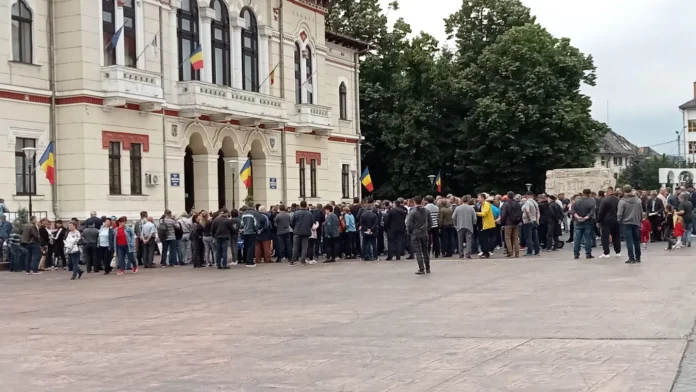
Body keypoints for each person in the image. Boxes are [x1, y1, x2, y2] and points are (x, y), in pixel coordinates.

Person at [617, 185, 643, 264]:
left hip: (626, 222)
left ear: (623, 191)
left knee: (629, 241)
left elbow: (620, 213)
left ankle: (631, 258)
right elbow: (641, 212)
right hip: (636, 222)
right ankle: (638, 257)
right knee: (636, 240)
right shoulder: (638, 200)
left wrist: (619, 220)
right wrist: (640, 220)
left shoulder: (622, 201)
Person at [407, 195, 432, 274]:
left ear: (414, 202)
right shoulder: (427, 211)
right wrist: (426, 229)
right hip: (424, 233)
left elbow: (409, 224)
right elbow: (430, 223)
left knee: (418, 252)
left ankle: (421, 269)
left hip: (415, 233)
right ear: (422, 201)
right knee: (425, 251)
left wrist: (410, 232)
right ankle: (427, 268)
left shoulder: (412, 212)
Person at [571, 189, 596, 260]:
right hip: (587, 222)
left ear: (583, 193)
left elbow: (573, 211)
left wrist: (578, 217)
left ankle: (576, 254)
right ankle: (588, 253)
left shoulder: (577, 201)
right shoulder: (591, 201)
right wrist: (585, 218)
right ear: (589, 194)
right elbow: (591, 213)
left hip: (578, 222)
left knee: (577, 238)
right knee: (587, 238)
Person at [597, 187, 621, 259]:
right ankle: (618, 252)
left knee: (605, 237)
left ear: (608, 192)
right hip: (616, 220)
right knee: (616, 236)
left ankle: (606, 253)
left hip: (606, 221)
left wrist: (598, 220)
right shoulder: (618, 200)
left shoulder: (605, 200)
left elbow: (601, 211)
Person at [290, 200, 313, 266]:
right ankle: (303, 260)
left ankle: (293, 260)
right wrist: (308, 228)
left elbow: (292, 222)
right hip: (306, 232)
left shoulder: (296, 213)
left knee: (295, 247)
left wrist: (294, 228)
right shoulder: (309, 213)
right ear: (306, 205)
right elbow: (311, 223)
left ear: (300, 205)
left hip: (297, 231)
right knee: (304, 247)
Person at [476, 194, 495, 258]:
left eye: (479, 198)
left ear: (483, 198)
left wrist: (475, 213)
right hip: (483, 224)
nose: (477, 199)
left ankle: (486, 253)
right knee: (482, 239)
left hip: (486, 224)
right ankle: (484, 252)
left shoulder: (486, 204)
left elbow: (484, 213)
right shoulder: (482, 205)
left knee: (485, 239)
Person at [521, 192, 540, 256]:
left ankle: (530, 251)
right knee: (535, 237)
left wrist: (529, 218)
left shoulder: (527, 202)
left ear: (528, 195)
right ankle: (537, 251)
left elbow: (527, 210)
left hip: (528, 222)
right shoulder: (535, 202)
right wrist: (537, 220)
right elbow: (538, 212)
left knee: (528, 237)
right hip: (534, 220)